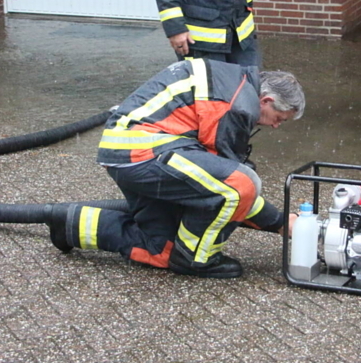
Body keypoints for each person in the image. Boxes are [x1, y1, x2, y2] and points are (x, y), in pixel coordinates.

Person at [51, 58, 305, 278]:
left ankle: (70, 224)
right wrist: (279, 222)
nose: (275, 127)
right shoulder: (237, 104)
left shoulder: (235, 84)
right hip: (144, 153)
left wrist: (276, 221)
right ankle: (196, 259)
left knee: (160, 251)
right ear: (267, 100)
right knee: (241, 184)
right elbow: (232, 187)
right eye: (279, 119)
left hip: (126, 151)